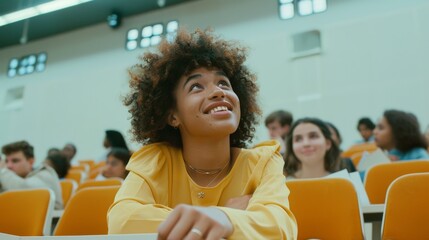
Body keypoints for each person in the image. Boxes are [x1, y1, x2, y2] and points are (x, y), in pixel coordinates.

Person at [107, 29, 297, 239]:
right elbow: (121, 222)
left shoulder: (263, 162)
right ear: (172, 116)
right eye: (196, 86)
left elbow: (280, 228)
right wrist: (224, 217)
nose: (218, 91)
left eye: (223, 83)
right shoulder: (154, 160)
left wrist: (222, 218)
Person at [0, 141, 63, 209]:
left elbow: (23, 190)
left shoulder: (46, 174)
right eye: (6, 161)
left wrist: (3, 171)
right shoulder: (11, 179)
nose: (8, 166)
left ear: (31, 162)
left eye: (15, 161)